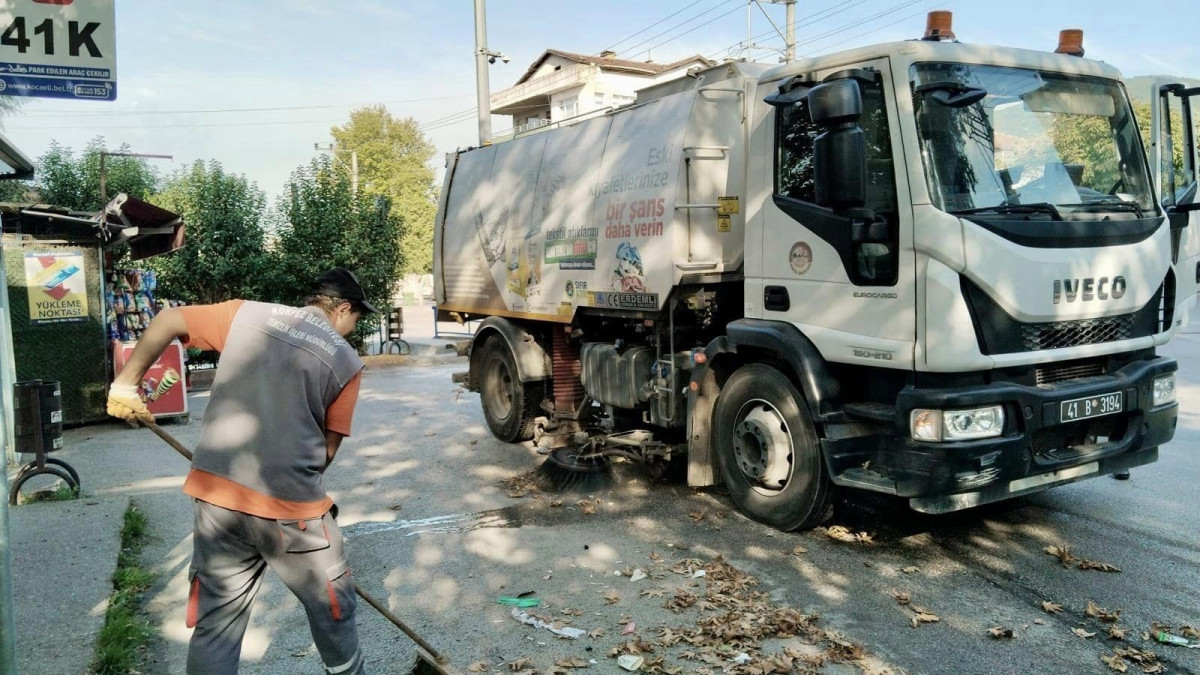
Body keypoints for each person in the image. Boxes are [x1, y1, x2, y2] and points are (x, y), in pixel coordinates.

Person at [107, 269, 376, 675]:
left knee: (217, 624)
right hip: (292, 511)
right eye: (355, 319)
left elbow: (167, 320)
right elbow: (325, 453)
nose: (352, 330)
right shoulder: (346, 361)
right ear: (341, 308)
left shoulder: (246, 315)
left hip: (218, 499)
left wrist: (127, 384)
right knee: (334, 607)